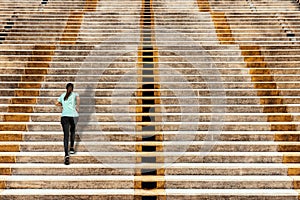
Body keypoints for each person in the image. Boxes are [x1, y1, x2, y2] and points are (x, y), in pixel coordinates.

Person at [55, 83, 80, 165]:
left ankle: (66, 155)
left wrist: (63, 105)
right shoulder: (74, 94)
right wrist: (77, 107)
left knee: (66, 136)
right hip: (72, 116)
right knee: (72, 131)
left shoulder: (63, 95)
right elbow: (78, 98)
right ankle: (72, 147)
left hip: (64, 116)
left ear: (66, 88)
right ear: (72, 88)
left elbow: (56, 103)